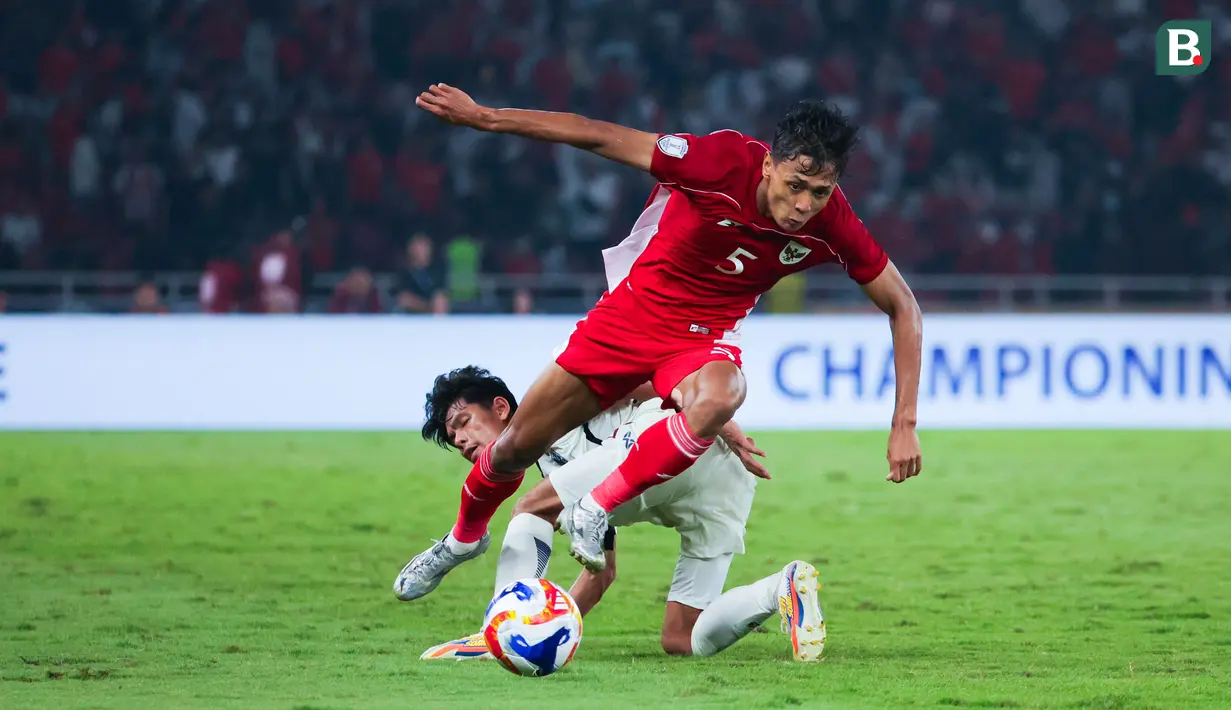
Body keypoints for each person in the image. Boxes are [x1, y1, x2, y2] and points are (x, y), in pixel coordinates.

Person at [400, 84, 923, 591]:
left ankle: (597, 505)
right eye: (795, 185)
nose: (805, 204)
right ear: (769, 165)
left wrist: (904, 423)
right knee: (514, 449)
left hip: (698, 342)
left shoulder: (832, 223)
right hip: (627, 320)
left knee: (724, 393)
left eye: (820, 192)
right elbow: (596, 135)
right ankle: (463, 540)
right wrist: (486, 117)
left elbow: (904, 307)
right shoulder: (718, 162)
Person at [398, 367, 826, 662]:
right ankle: (781, 588)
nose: (460, 440)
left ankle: (498, 629)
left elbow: (644, 379)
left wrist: (716, 415)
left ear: (501, 407)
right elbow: (601, 575)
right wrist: (551, 633)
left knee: (529, 509)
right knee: (681, 639)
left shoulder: (552, 402)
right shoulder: (553, 473)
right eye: (452, 438)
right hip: (721, 484)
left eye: (462, 421)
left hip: (668, 443)